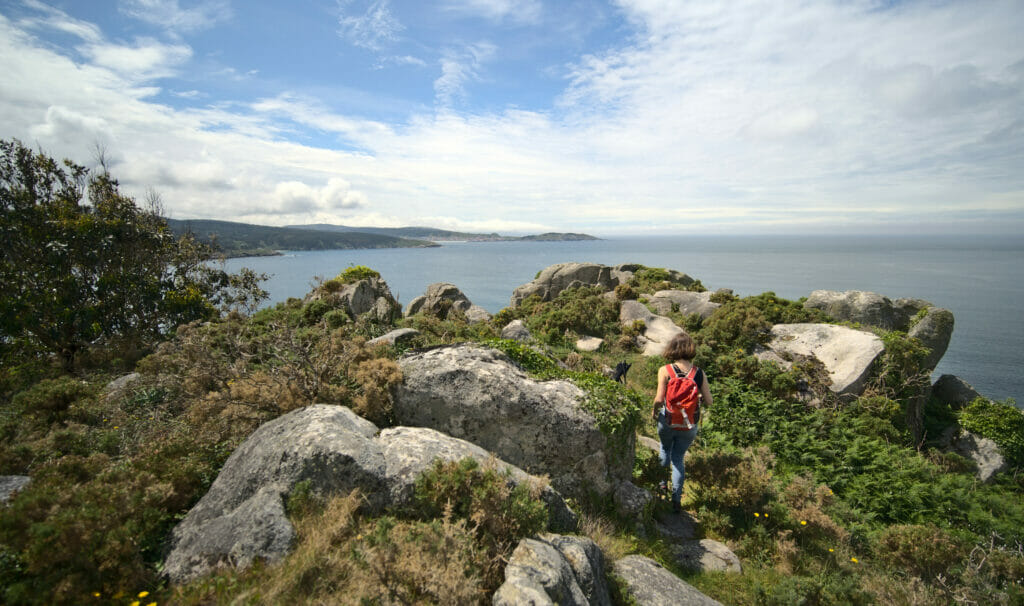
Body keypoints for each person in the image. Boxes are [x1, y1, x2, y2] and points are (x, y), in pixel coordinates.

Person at [652, 331, 713, 513]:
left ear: (672, 348)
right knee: (678, 458)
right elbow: (709, 402)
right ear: (690, 349)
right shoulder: (699, 373)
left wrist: (654, 412)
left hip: (668, 420)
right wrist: (698, 398)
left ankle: (662, 485)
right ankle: (677, 500)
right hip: (689, 424)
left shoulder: (665, 370)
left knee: (664, 450)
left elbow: (658, 399)